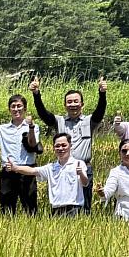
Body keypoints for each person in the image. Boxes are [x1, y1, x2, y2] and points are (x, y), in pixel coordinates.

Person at [29, 75, 106, 214]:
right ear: (65, 105)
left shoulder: (89, 121)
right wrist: (36, 95)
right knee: (63, 206)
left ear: (82, 104)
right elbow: (44, 114)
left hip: (83, 169)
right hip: (63, 169)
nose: (73, 104)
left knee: (85, 207)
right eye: (69, 102)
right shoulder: (59, 121)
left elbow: (99, 112)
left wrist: (102, 93)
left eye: (76, 101)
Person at [6, 132, 88, 217]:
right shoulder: (51, 167)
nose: (60, 148)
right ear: (54, 148)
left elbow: (85, 183)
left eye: (64, 145)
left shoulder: (78, 164)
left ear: (70, 146)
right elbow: (32, 170)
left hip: (74, 209)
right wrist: (15, 168)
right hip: (56, 210)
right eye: (57, 146)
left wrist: (81, 173)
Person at [0, 94, 42, 215]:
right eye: (13, 106)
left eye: (19, 106)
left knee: (30, 207)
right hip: (8, 171)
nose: (16, 109)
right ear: (9, 109)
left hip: (27, 170)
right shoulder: (2, 128)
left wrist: (31, 127)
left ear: (25, 108)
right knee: (7, 208)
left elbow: (33, 144)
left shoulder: (33, 126)